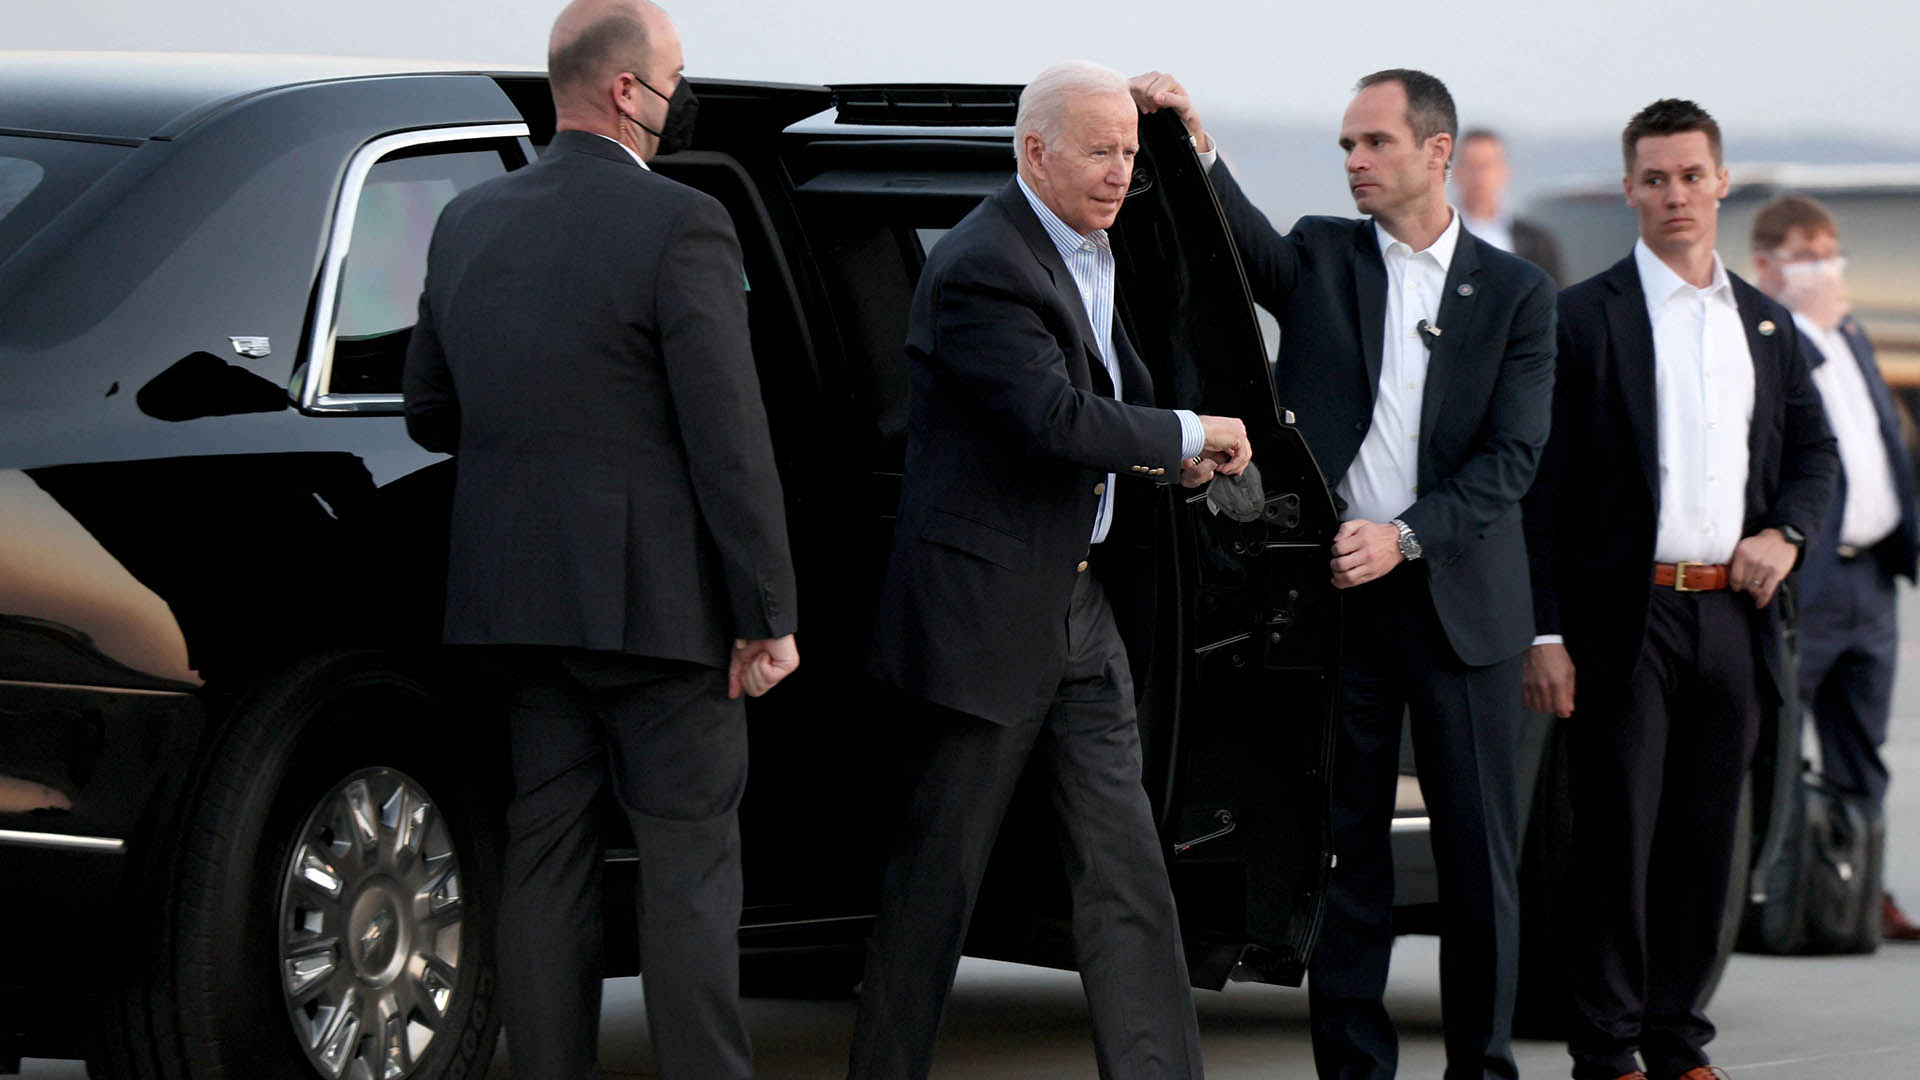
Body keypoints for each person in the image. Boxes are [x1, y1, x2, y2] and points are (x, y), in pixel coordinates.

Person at [1133, 68, 1557, 1080]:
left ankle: (1482, 1069)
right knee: (1347, 851)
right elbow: (1240, 247)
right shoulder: (1324, 254)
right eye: (1346, 147)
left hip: (1461, 609)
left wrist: (1403, 537)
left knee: (1477, 861)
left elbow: (1511, 460)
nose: (1355, 162)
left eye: (1374, 143)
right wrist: (1194, 141)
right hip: (1339, 605)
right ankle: (1355, 1070)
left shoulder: (1517, 292)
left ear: (1436, 151)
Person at [401, 2, 800, 1076]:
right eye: (676, 74)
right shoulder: (682, 222)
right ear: (629, 89)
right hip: (665, 618)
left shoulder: (467, 219)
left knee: (546, 866)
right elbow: (729, 437)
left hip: (516, 607)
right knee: (688, 878)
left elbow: (430, 412)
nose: (683, 94)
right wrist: (766, 614)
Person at [851, 59, 1253, 1080]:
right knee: (936, 884)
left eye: (1130, 152)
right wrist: (1188, 430)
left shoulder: (1092, 250)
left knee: (1127, 873)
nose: (1122, 172)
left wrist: (1174, 459)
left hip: (1081, 609)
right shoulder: (985, 264)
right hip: (986, 619)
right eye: (1101, 151)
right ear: (1035, 153)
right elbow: (1054, 418)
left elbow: (1111, 394)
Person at [1522, 100, 1838, 1080]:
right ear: (1630, 190)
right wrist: (1544, 634)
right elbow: (1540, 490)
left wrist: (1786, 534)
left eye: (1692, 176)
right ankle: (1606, 1052)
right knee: (1616, 842)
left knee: (1708, 843)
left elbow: (1816, 454)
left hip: (1733, 617)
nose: (1675, 195)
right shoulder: (1583, 318)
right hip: (1626, 618)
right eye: (1655, 178)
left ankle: (1677, 1042)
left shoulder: (1766, 325)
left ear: (1721, 183)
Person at [1751, 193, 1920, 943]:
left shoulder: (1849, 332)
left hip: (1870, 576)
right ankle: (1777, 895)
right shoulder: (1779, 340)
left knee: (1863, 745)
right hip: (1810, 578)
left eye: (1830, 253)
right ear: (1768, 266)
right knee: (1782, 740)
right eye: (1807, 256)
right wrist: (1811, 327)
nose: (1827, 269)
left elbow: (1883, 442)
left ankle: (1857, 888)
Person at [1454, 128, 1566, 285]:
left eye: (1487, 166)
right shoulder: (1435, 237)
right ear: (1455, 172)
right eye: (1471, 166)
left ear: (1504, 172)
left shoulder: (1535, 242)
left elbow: (1554, 295)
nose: (1479, 176)